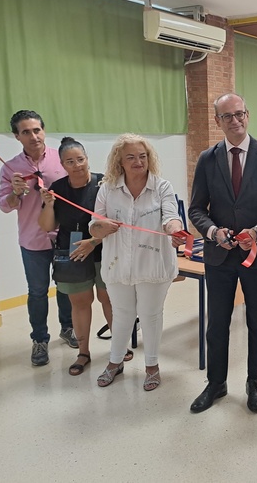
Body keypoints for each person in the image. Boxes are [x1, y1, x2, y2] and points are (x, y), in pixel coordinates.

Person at [188, 93, 257, 414]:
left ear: (248, 114)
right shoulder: (207, 159)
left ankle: (254, 380)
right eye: (227, 116)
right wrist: (213, 232)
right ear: (217, 121)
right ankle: (216, 383)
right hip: (219, 256)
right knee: (217, 323)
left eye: (240, 114)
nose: (235, 120)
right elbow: (196, 209)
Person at [89, 134, 183, 392]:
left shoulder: (162, 187)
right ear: (119, 160)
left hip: (153, 265)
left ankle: (152, 366)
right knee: (122, 316)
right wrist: (101, 226)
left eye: (142, 156)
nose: (138, 161)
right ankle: (115, 361)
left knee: (151, 316)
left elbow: (171, 217)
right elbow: (94, 228)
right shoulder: (107, 189)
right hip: (118, 265)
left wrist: (176, 230)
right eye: (130, 157)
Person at [0, 110, 77, 367]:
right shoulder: (11, 168)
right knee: (38, 292)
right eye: (26, 132)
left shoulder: (61, 159)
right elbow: (4, 206)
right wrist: (16, 194)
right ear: (17, 136)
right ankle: (40, 340)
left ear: (44, 130)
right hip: (33, 241)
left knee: (67, 287)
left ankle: (68, 328)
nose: (33, 136)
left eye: (37, 130)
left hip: (64, 237)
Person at [38, 137, 121, 376]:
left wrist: (93, 242)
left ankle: (118, 347)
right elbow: (46, 226)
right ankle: (83, 352)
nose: (77, 165)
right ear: (63, 164)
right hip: (73, 254)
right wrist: (49, 205)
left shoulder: (104, 184)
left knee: (110, 300)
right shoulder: (57, 189)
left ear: (87, 159)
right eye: (70, 161)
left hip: (105, 251)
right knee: (81, 304)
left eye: (80, 159)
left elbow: (117, 221)